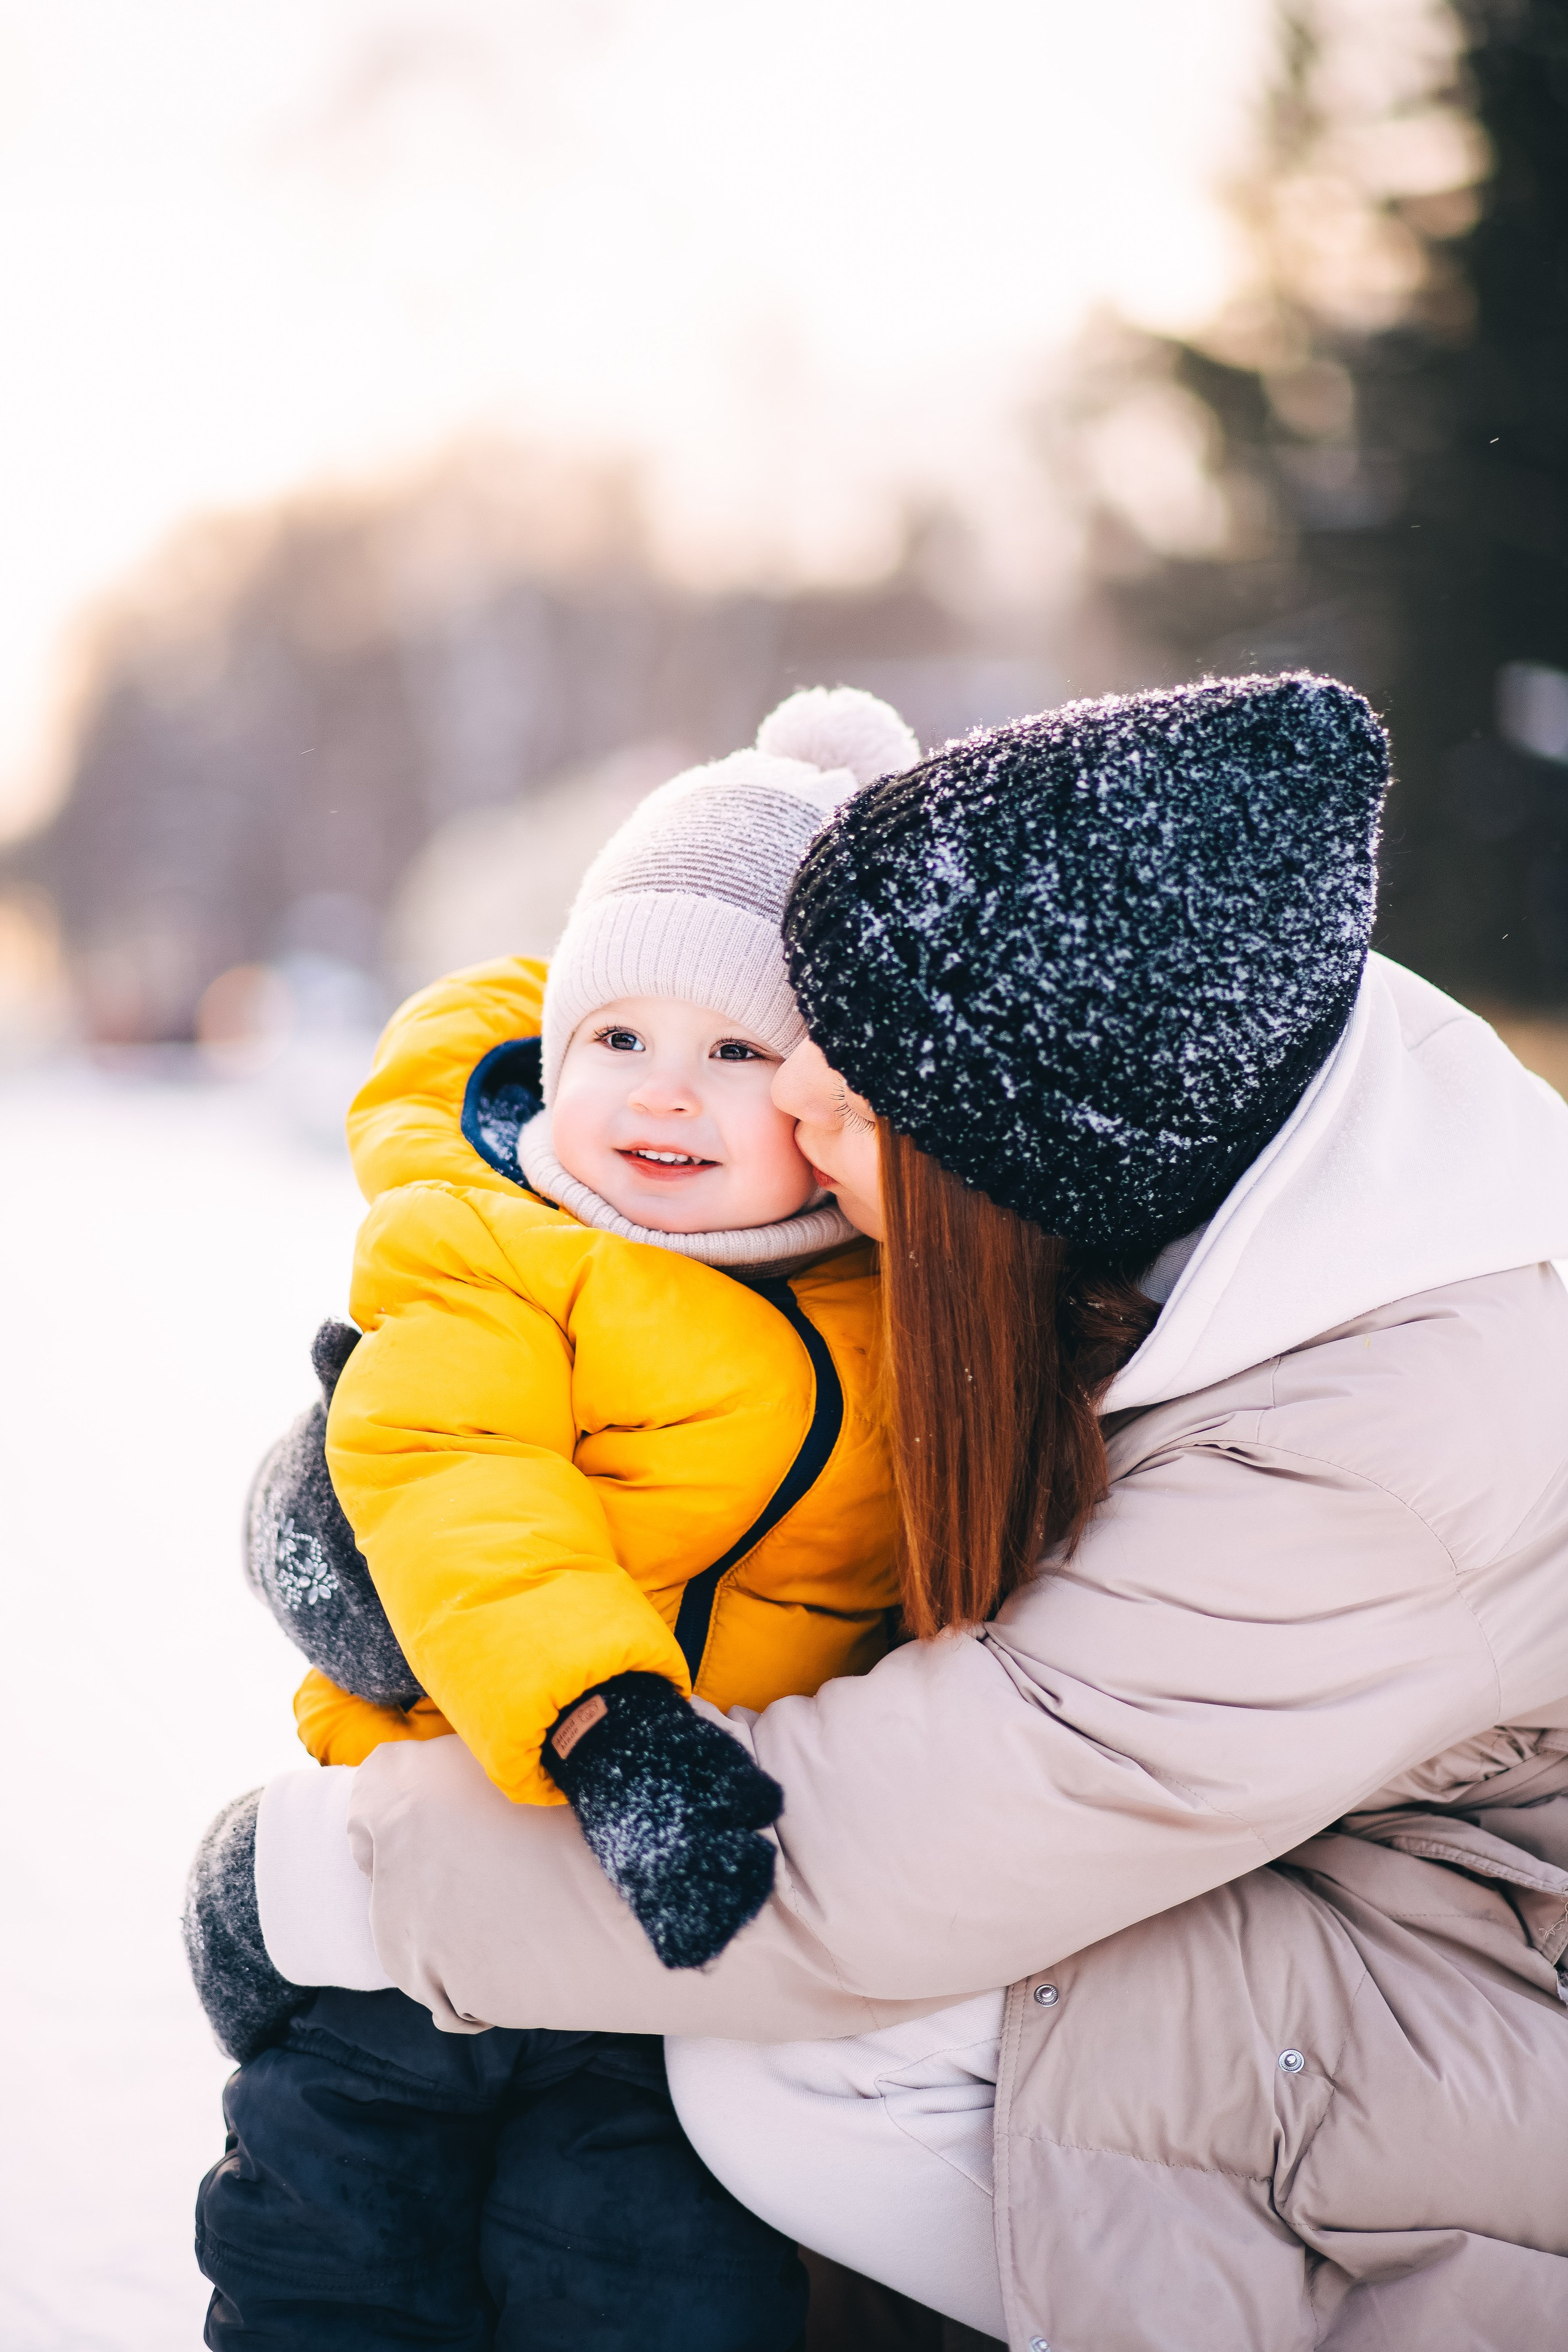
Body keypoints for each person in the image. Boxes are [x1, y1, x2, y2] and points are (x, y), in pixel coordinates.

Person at [260, 671, 1568, 2348]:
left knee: (801, 2051)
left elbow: (913, 1845)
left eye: (851, 1088)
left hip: (1492, 2016)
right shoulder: (1189, 1076)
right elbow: (603, 1007)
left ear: (1007, 1167)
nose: (791, 1102)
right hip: (1351, 1909)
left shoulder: (1388, 1444)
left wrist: (328, 1875)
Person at [182, 687, 924, 2349]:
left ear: (830, 1100)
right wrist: (605, 1720)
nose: (664, 1095)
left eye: (737, 1052)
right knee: (333, 2258)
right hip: (426, 1884)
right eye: (620, 1040)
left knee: (654, 2281)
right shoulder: (496, 1248)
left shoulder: (891, 1305)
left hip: (685, 1944)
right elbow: (456, 1471)